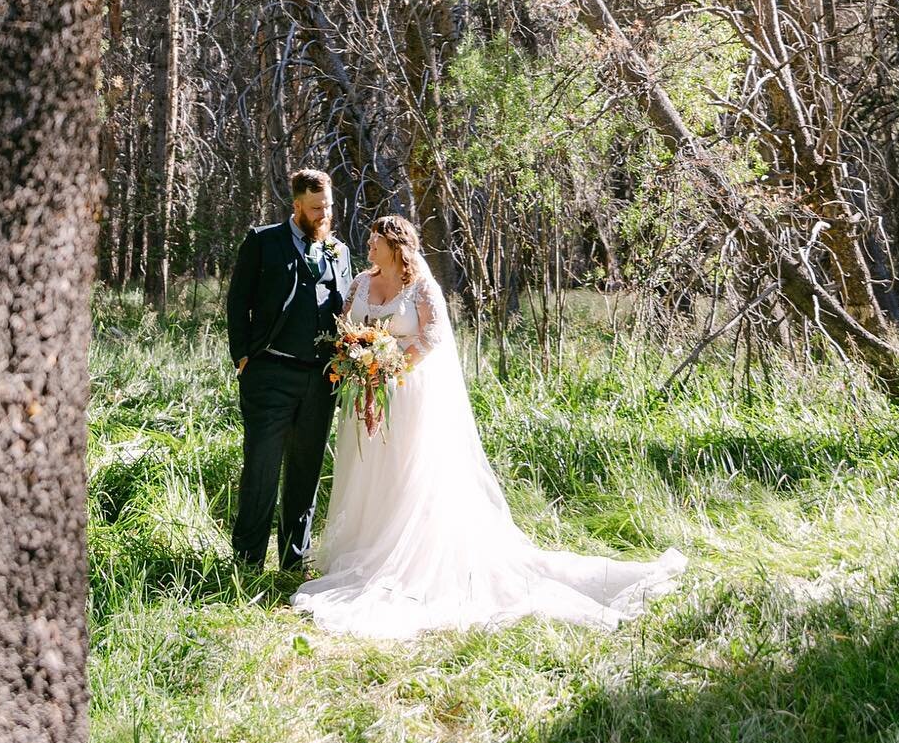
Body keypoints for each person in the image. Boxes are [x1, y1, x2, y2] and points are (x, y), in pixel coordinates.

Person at [292, 214, 687, 638]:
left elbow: (432, 338)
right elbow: (346, 329)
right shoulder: (360, 283)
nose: (368, 248)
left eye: (375, 242)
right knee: (368, 473)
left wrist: (389, 365)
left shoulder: (422, 286)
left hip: (406, 396)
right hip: (366, 397)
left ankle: (407, 557)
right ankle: (365, 547)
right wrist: (358, 359)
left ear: (395, 247)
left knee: (406, 476)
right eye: (368, 242)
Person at [226, 166, 353, 570]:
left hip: (320, 379)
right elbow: (237, 300)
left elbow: (347, 309)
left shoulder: (339, 250)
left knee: (306, 470)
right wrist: (243, 355)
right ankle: (247, 560)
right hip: (270, 373)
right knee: (261, 467)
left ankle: (292, 560)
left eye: (328, 206)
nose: (323, 214)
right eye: (316, 208)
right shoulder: (263, 241)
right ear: (296, 205)